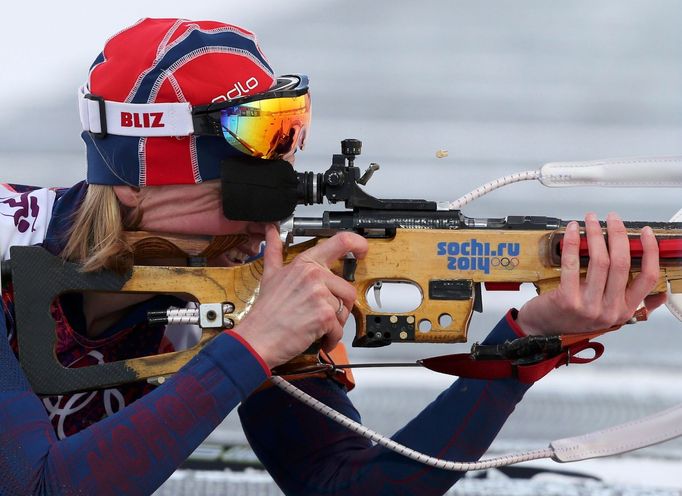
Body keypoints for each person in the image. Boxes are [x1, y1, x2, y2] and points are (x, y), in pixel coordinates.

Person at [0, 18, 665, 495]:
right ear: (137, 179)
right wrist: (248, 349)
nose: (271, 209)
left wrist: (525, 345)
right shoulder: (10, 257)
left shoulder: (248, 281)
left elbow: (342, 483)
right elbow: (40, 486)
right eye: (239, 176)